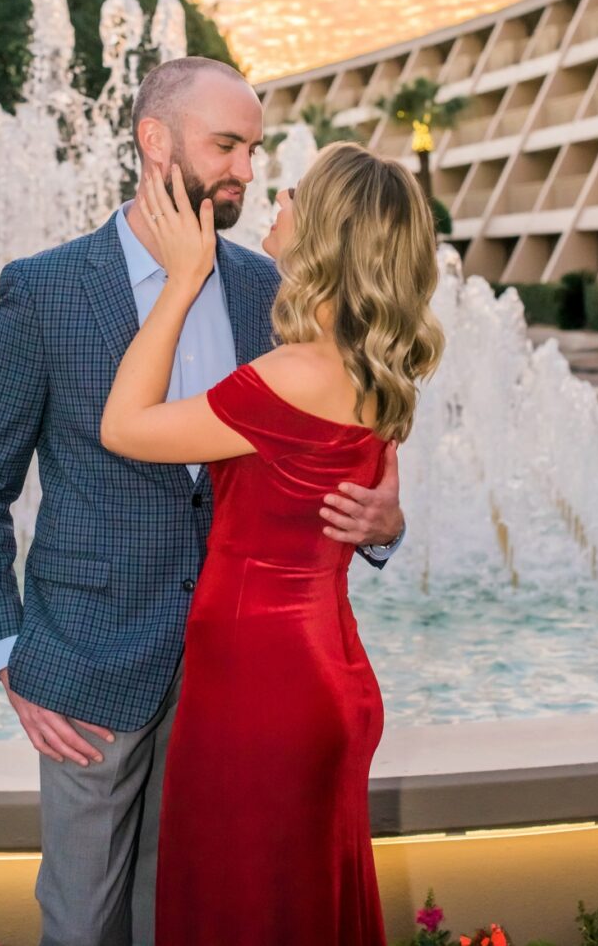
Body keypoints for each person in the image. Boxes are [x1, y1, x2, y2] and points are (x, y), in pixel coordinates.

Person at [0, 57, 406, 946]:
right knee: (82, 926)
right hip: (86, 672)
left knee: (189, 920)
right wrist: (11, 653)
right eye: (226, 145)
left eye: (255, 149)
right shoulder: (44, 291)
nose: (245, 169)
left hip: (231, 690)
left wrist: (385, 526)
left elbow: (330, 453)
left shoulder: (273, 290)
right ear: (155, 142)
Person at [100, 144, 444, 946]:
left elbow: (124, 425)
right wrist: (389, 528)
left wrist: (183, 280)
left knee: (243, 911)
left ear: (324, 231)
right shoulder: (371, 368)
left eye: (292, 190)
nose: (274, 198)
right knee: (300, 910)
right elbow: (351, 509)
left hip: (261, 691)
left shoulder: (290, 374)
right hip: (327, 672)